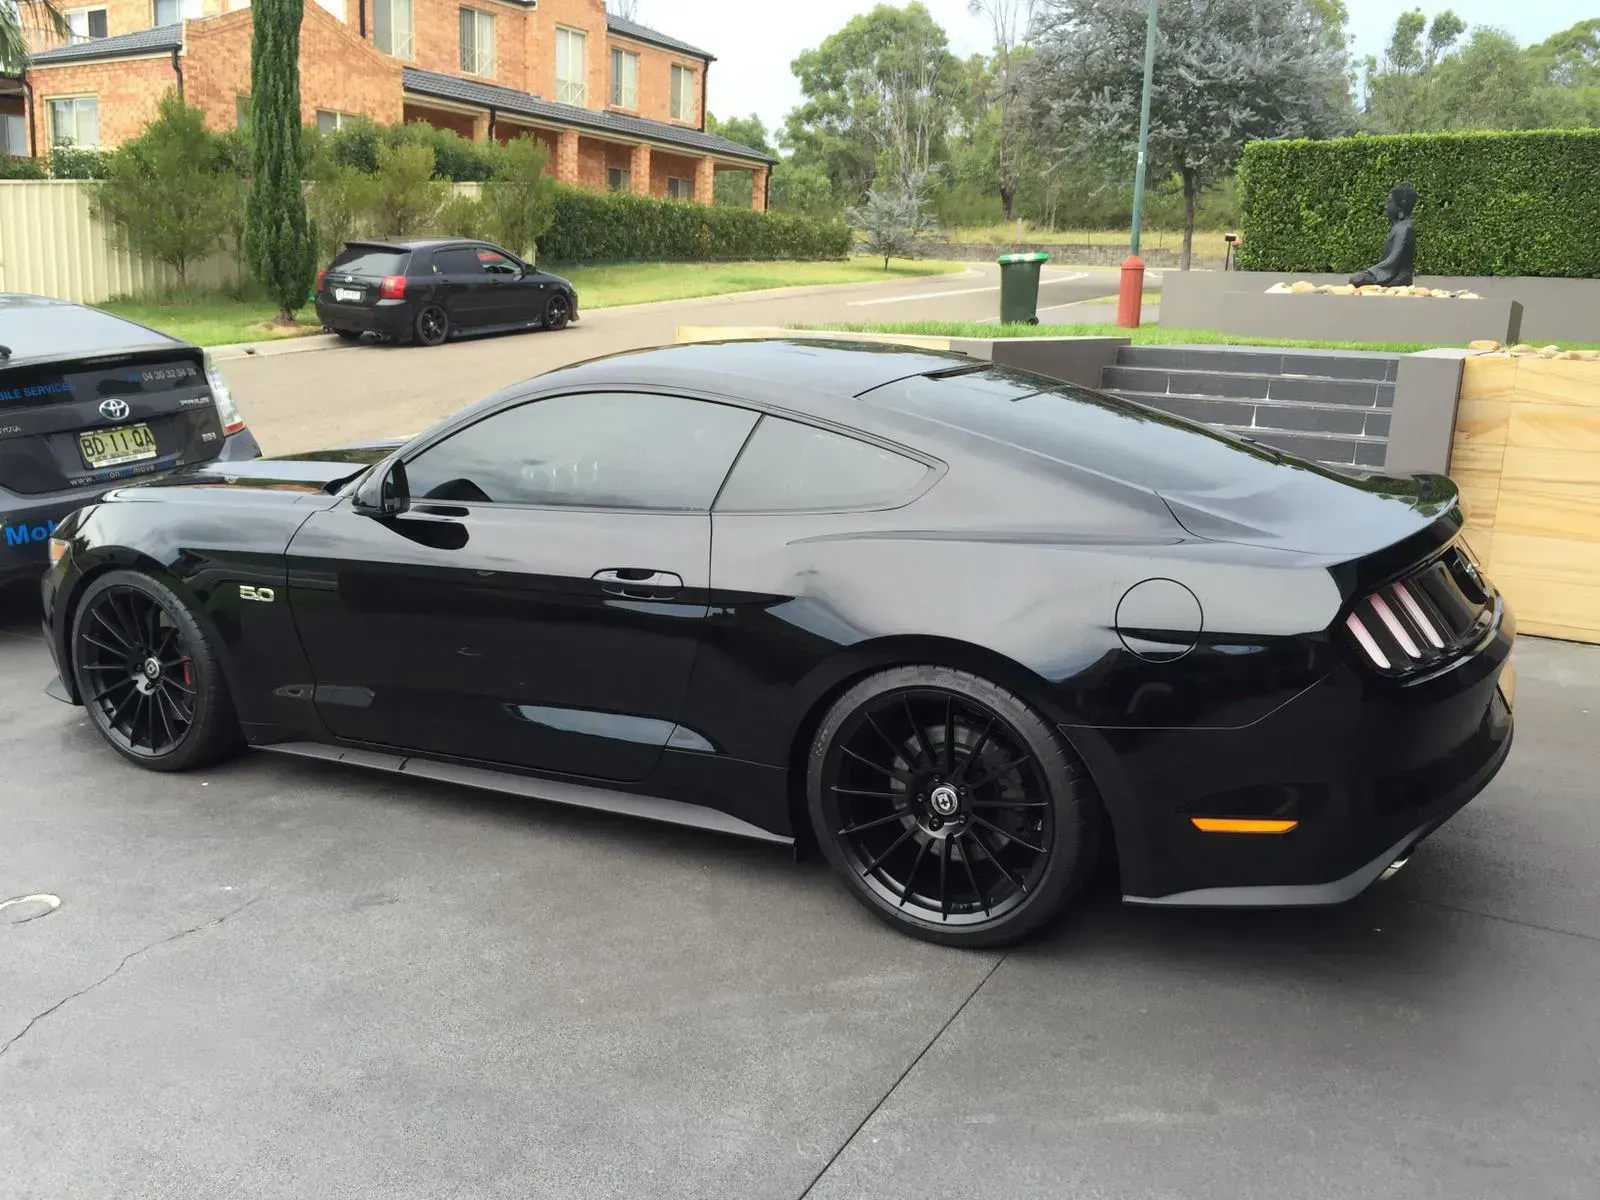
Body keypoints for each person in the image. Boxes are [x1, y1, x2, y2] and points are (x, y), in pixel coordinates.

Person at [1350, 183, 1418, 288]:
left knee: (1357, 278)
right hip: (1392, 275)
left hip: (1398, 278)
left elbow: (1392, 262)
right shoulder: (1399, 227)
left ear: (1401, 206)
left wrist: (1372, 273)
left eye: (1389, 202)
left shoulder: (1405, 229)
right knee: (1358, 277)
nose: (1386, 206)